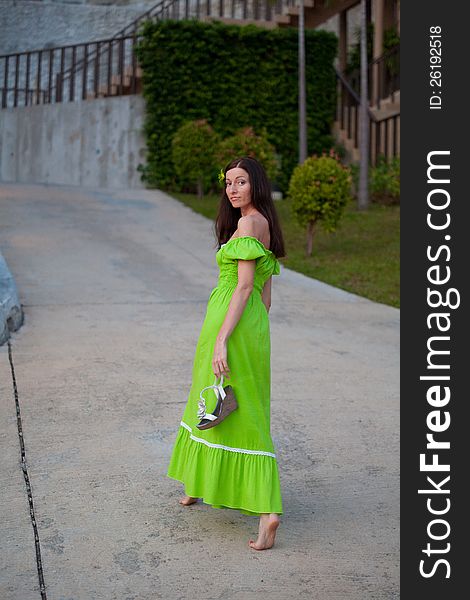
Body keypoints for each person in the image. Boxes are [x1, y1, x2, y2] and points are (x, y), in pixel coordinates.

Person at [166, 156, 286, 550]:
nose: (233, 189)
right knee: (226, 401)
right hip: (245, 326)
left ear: (257, 186)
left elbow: (247, 286)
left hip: (230, 326)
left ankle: (269, 514)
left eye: (241, 182)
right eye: (229, 183)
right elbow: (266, 297)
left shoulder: (250, 224)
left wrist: (223, 338)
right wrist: (252, 332)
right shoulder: (259, 224)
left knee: (232, 405)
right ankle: (198, 483)